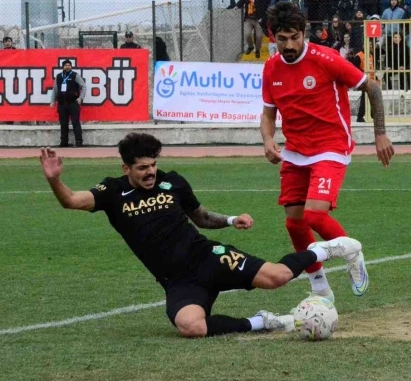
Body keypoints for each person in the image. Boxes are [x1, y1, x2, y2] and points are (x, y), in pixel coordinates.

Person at [38, 134, 364, 338]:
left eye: (153, 165)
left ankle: (327, 249)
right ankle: (264, 322)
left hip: (209, 257)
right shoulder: (111, 191)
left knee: (278, 276)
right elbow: (70, 201)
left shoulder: (173, 182)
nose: (150, 172)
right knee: (191, 326)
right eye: (142, 168)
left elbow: (201, 217)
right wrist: (55, 180)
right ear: (126, 169)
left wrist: (231, 219)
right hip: (178, 281)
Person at [260, 2, 394, 302]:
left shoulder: (325, 58)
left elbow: (371, 87)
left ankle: (353, 253)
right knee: (294, 222)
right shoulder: (271, 69)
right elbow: (268, 113)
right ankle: (319, 284)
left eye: (295, 36)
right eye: (282, 38)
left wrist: (380, 134)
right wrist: (268, 140)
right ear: (273, 38)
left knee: (314, 216)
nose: (289, 44)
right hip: (295, 150)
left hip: (330, 146)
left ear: (304, 33)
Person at [49, 60, 86, 148]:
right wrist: (52, 101)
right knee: (63, 123)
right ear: (63, 67)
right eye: (66, 65)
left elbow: (84, 86)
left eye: (69, 65)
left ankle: (79, 141)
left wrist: (81, 98)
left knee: (75, 122)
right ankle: (64, 142)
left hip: (73, 103)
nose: (67, 66)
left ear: (71, 66)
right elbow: (55, 90)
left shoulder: (75, 75)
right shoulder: (58, 76)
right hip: (62, 103)